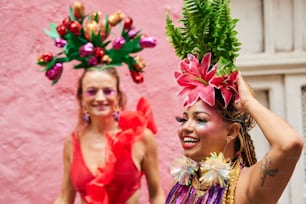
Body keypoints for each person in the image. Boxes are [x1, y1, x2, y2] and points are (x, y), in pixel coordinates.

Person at [165, 0, 304, 203]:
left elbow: (290, 144)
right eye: (183, 120)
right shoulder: (180, 186)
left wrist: (248, 102)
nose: (186, 127)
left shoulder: (248, 186)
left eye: (200, 119)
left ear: (231, 132)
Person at [37, 1, 165, 203]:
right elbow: (64, 198)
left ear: (117, 97)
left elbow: (157, 194)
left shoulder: (142, 138)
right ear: (81, 99)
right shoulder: (72, 143)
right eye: (91, 92)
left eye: (107, 91)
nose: (100, 98)